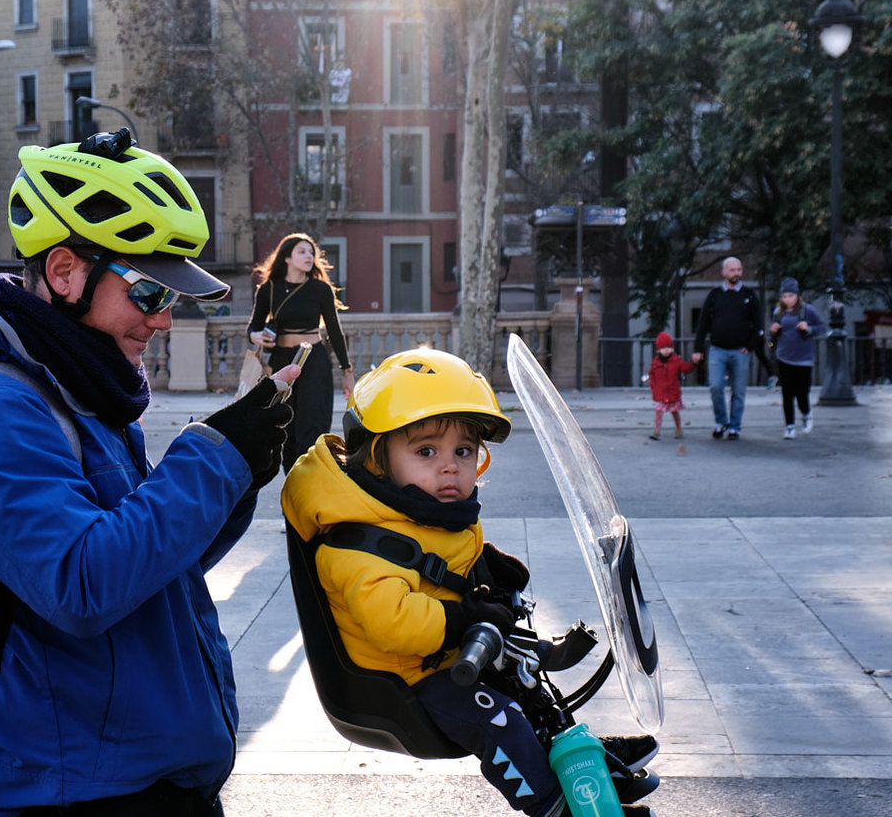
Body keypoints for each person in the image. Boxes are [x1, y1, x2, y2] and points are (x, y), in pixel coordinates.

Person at [0, 129, 300, 817]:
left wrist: (238, 468)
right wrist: (213, 457)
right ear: (66, 271)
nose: (164, 319)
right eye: (146, 291)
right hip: (69, 793)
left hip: (126, 781)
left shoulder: (72, 390)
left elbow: (147, 566)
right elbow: (79, 582)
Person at [281, 349, 659, 817]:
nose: (450, 466)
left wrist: (485, 565)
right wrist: (466, 616)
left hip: (444, 654)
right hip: (410, 679)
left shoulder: (414, 511)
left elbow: (441, 557)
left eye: (463, 451)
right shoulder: (353, 541)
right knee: (500, 719)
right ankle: (556, 803)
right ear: (375, 458)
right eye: (426, 451)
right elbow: (393, 622)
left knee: (529, 686)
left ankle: (579, 759)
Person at [247, 233, 355, 474]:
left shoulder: (321, 289)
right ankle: (293, 488)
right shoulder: (268, 290)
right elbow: (253, 327)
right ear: (287, 257)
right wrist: (255, 336)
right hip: (281, 362)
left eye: (311, 252)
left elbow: (335, 332)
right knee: (284, 431)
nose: (309, 256)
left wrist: (347, 371)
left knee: (312, 428)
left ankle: (309, 488)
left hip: (314, 362)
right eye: (302, 252)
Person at [692, 256, 766, 440]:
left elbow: (758, 325)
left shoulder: (749, 295)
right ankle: (721, 421)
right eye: (732, 270)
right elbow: (703, 323)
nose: (736, 273)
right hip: (718, 349)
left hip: (740, 351)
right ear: (724, 272)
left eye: (739, 269)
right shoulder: (715, 295)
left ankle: (734, 426)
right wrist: (698, 348)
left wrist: (750, 346)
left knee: (738, 391)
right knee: (716, 386)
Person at [769, 277, 826, 439]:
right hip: (784, 357)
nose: (787, 299)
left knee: (802, 392)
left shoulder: (807, 310)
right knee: (787, 394)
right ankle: (789, 426)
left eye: (790, 296)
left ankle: (806, 413)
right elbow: (772, 332)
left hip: (803, 358)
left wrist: (809, 328)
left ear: (797, 296)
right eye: (784, 296)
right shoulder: (777, 312)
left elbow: (821, 327)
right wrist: (772, 330)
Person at [646, 331, 695, 440]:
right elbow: (652, 376)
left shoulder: (676, 360)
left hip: (672, 392)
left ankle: (678, 428)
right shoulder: (656, 363)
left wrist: (693, 364)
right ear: (659, 349)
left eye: (669, 347)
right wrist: (653, 387)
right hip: (660, 392)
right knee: (658, 412)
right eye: (664, 348)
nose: (667, 350)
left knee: (675, 412)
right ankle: (656, 430)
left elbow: (686, 368)